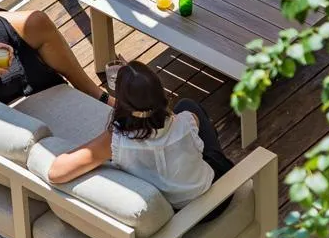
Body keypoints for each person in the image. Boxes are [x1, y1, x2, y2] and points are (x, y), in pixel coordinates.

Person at [48, 60, 234, 212]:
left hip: (179, 209)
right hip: (215, 194)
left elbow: (56, 173)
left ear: (122, 103)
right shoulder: (186, 121)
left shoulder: (115, 142)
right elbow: (173, 118)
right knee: (188, 104)